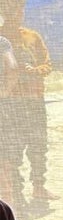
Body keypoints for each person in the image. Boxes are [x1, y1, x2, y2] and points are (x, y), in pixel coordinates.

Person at [0, 0, 54, 208]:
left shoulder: (31, 36)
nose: (17, 15)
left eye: (20, 10)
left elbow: (48, 64)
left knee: (38, 143)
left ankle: (39, 186)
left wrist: (36, 71)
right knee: (13, 148)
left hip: (34, 100)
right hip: (10, 104)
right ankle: (17, 195)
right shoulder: (1, 40)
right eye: (11, 11)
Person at [0, 36, 20, 208]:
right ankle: (9, 210)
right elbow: (12, 68)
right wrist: (4, 92)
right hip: (2, 108)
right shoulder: (2, 42)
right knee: (4, 160)